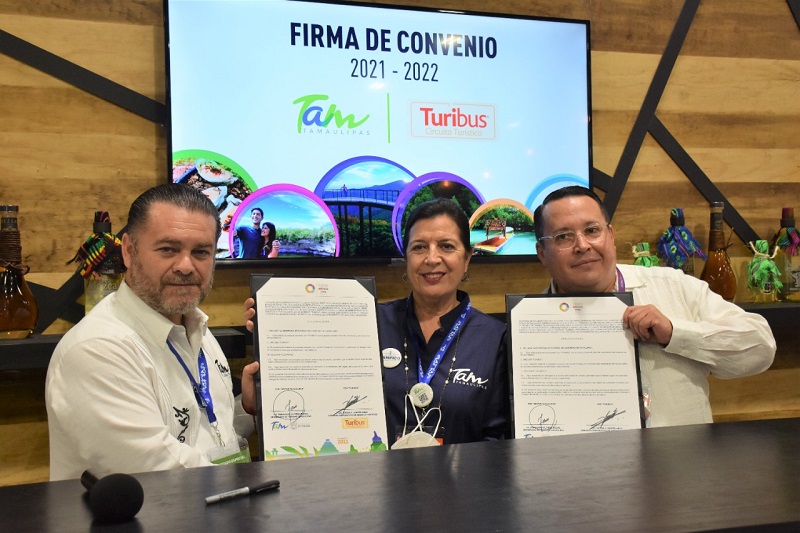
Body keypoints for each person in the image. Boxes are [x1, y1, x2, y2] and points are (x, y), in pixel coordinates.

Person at [244, 198, 510, 445]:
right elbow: (322, 396)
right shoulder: (367, 323)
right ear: (406, 258)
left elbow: (500, 439)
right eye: (419, 247)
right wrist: (272, 354)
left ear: (467, 259)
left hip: (463, 479)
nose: (431, 258)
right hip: (373, 477)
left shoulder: (495, 338)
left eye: (446, 246)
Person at [46, 184, 259, 481]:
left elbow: (205, 433)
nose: (186, 266)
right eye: (168, 249)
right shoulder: (97, 349)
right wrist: (265, 487)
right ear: (129, 251)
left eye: (201, 252)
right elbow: (161, 473)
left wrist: (249, 408)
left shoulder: (195, 328)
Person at [533, 186, 776, 427]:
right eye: (563, 237)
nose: (582, 245)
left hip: (682, 452)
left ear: (611, 236)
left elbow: (762, 349)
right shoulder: (528, 326)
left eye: (592, 230)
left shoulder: (673, 286)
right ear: (542, 253)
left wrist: (675, 333)